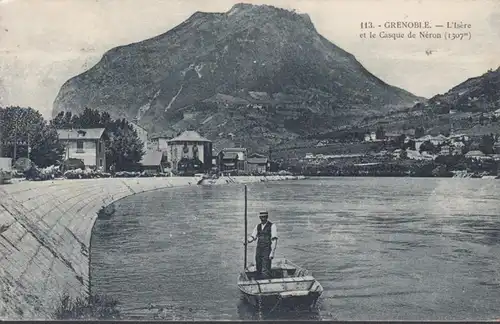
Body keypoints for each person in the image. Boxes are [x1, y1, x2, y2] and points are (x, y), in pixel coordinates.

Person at [246, 210, 278, 279]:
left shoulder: (272, 226)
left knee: (265, 268)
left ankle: (266, 282)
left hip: (267, 249)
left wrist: (272, 252)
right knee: (258, 265)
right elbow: (253, 236)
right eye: (261, 217)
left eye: (264, 217)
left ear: (267, 217)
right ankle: (258, 280)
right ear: (259, 217)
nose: (262, 219)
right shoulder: (258, 226)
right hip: (259, 249)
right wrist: (247, 241)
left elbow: (274, 240)